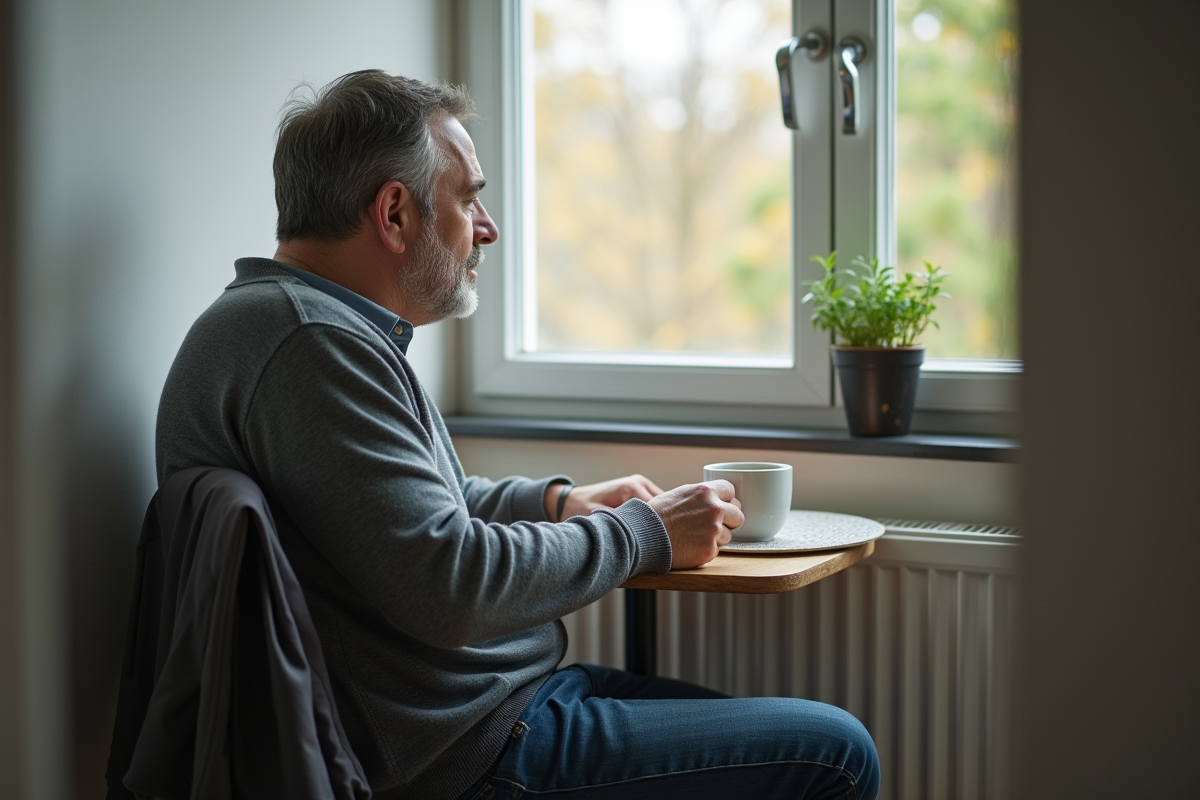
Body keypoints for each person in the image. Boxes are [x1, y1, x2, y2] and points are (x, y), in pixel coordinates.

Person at [155, 70, 879, 800]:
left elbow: (415, 515)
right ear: (395, 213)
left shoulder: (299, 326)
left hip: (497, 707)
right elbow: (450, 583)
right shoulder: (311, 343)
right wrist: (645, 534)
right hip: (466, 752)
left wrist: (558, 502)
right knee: (836, 753)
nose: (487, 226)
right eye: (468, 198)